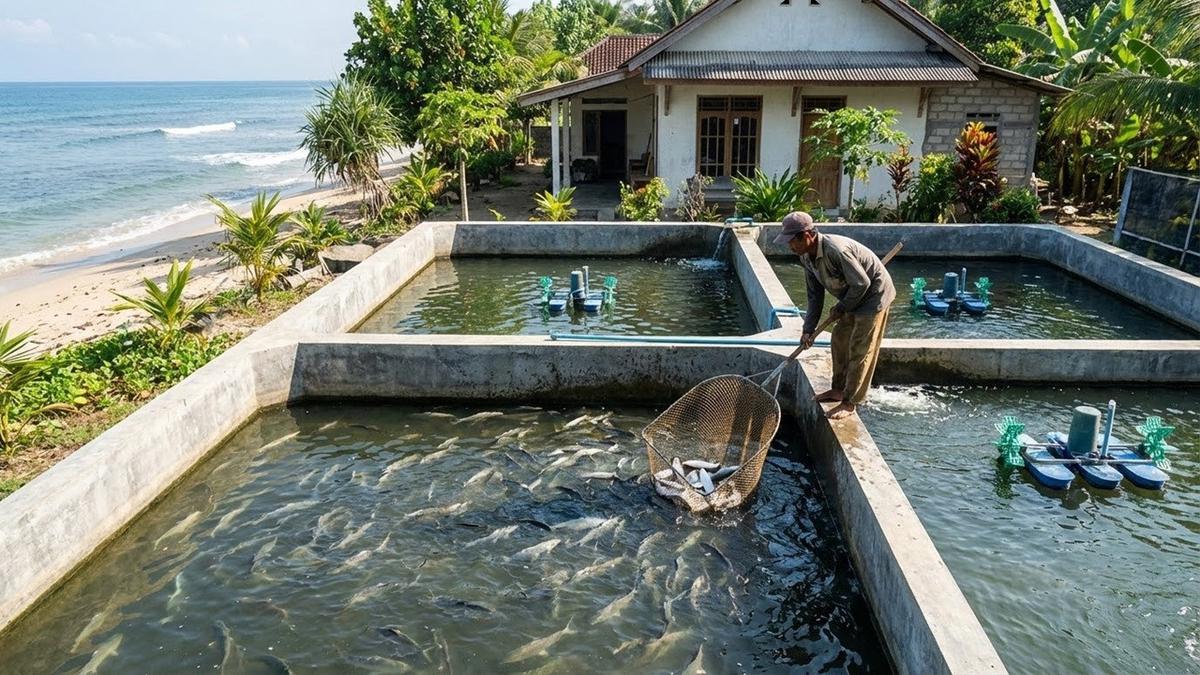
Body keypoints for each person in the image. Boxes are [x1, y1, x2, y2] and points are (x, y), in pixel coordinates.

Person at [774, 212, 895, 419]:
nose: (790, 247)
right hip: (852, 296)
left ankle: (850, 402)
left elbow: (863, 283)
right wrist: (808, 330)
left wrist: (842, 306)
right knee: (839, 339)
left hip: (874, 295)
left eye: (792, 241)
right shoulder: (805, 257)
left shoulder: (835, 251)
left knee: (859, 347)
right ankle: (838, 390)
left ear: (807, 236)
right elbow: (814, 296)